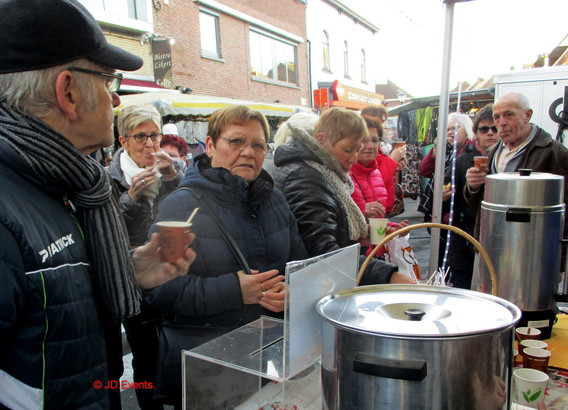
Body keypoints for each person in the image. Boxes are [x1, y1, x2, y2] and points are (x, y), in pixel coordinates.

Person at [0, 0, 196, 408]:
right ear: (68, 91)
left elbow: (49, 313)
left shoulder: (64, 183)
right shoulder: (13, 204)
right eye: (110, 83)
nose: (117, 100)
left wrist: (129, 268)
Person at [145, 105, 308, 406]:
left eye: (258, 144)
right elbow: (161, 291)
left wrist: (291, 291)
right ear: (209, 146)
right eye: (236, 142)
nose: (248, 152)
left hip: (273, 361)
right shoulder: (180, 207)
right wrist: (234, 291)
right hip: (210, 372)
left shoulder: (275, 200)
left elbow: (299, 266)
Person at [271, 107, 414, 285]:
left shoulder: (316, 170)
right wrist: (387, 275)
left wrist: (361, 237)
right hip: (313, 286)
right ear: (322, 140)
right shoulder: (306, 177)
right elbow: (322, 251)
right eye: (347, 150)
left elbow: (323, 231)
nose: (353, 158)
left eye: (357, 150)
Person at [108, 104, 184, 410]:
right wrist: (130, 200)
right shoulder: (109, 179)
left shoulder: (172, 168)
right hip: (135, 283)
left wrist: (173, 180)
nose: (150, 144)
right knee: (145, 358)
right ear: (123, 141)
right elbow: (107, 233)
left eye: (154, 135)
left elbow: (187, 213)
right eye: (141, 136)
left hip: (174, 275)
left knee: (178, 351)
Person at [465, 92, 568, 239]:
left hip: (529, 246)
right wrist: (472, 186)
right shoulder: (491, 152)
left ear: (527, 115)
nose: (502, 122)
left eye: (509, 115)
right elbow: (478, 203)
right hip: (492, 241)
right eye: (497, 117)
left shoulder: (553, 152)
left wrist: (552, 249)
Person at [442, 104, 499, 289]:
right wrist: (443, 196)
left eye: (494, 128)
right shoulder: (463, 160)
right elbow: (445, 198)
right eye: (484, 129)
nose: (490, 133)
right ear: (476, 132)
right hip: (464, 241)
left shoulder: (507, 160)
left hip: (499, 241)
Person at [418, 113, 474, 269]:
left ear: (467, 128)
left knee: (452, 266)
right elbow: (425, 170)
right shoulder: (448, 151)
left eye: (455, 128)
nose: (450, 132)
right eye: (447, 129)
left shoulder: (469, 151)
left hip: (457, 219)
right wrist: (436, 150)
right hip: (445, 214)